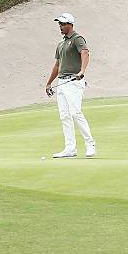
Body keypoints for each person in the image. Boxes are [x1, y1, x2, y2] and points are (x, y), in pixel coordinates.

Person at [45, 12, 96, 158]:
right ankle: (70, 149)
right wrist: (49, 83)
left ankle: (90, 144)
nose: (60, 26)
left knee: (75, 113)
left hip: (74, 82)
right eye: (59, 24)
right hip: (61, 83)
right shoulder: (60, 44)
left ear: (70, 25)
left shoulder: (77, 39)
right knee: (65, 116)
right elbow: (57, 65)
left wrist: (82, 71)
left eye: (63, 24)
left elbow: (85, 53)